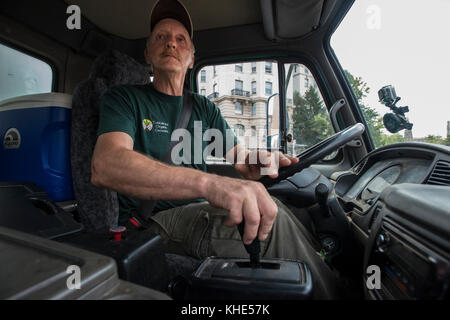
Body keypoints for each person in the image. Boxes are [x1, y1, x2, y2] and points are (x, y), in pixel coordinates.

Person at [92, 0, 338, 298]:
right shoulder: (124, 99)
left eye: (180, 39)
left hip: (198, 212)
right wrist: (209, 184)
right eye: (160, 37)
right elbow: (106, 165)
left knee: (284, 211)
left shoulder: (203, 107)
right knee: (276, 225)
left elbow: (241, 159)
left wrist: (258, 160)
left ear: (192, 58)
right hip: (152, 222)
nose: (171, 43)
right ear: (147, 54)